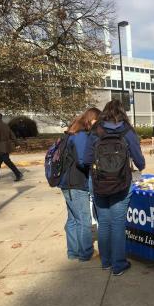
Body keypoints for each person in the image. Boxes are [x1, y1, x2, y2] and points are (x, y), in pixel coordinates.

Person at [84, 99, 145, 276]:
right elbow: (139, 160)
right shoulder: (127, 130)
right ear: (122, 112)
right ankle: (118, 264)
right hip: (121, 183)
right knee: (118, 223)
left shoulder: (96, 130)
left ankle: (106, 262)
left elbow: (87, 159)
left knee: (103, 222)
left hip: (100, 183)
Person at [59, 107, 101, 261]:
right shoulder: (82, 136)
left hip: (66, 183)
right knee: (84, 219)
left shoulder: (71, 133)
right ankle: (86, 252)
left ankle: (73, 252)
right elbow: (83, 160)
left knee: (73, 219)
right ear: (91, 120)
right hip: (77, 183)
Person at [0, 112, 23, 181]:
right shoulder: (5, 125)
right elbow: (12, 135)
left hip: (0, 147)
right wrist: (17, 143)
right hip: (5, 146)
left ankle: (18, 174)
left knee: (7, 161)